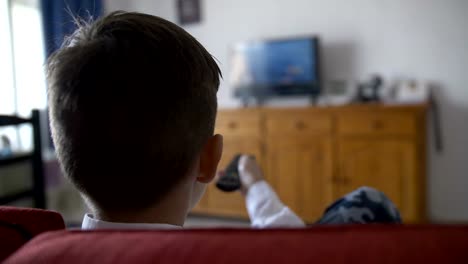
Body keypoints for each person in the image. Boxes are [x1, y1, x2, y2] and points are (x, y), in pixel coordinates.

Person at [47, 11, 400, 230]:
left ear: (67, 155)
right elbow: (291, 243)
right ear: (209, 159)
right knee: (370, 202)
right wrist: (257, 186)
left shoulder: (29, 251)